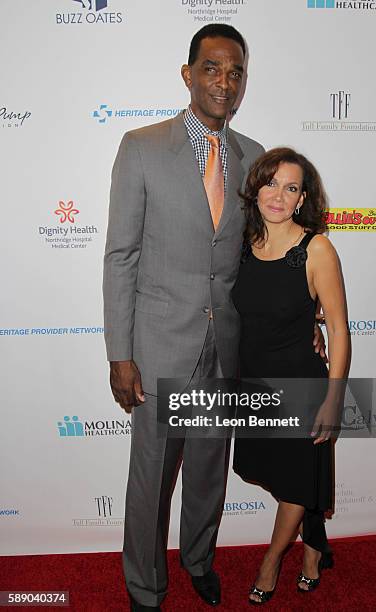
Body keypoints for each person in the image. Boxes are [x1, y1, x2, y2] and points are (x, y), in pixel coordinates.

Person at [103, 24, 265, 611]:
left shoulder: (253, 159)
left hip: (223, 345)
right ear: (188, 73)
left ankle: (198, 559)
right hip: (158, 348)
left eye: (236, 71)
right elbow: (121, 255)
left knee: (206, 470)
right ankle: (144, 587)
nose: (225, 82)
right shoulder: (142, 146)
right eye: (213, 69)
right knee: (151, 478)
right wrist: (120, 354)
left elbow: (259, 257)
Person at [232, 147, 350, 604]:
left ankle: (271, 560)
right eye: (271, 183)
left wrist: (333, 399)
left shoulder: (316, 248)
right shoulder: (242, 242)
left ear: (302, 198)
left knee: (298, 481)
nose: (279, 195)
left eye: (291, 187)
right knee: (282, 475)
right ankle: (314, 546)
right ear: (257, 187)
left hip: (302, 386)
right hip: (255, 385)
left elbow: (338, 328)